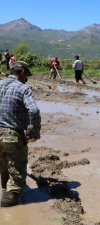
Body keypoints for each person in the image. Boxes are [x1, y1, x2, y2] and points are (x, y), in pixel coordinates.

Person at [0, 61, 41, 207]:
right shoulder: (23, 89)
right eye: (26, 76)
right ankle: (9, 200)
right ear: (22, 72)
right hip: (12, 134)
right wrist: (34, 131)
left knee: (3, 164)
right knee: (17, 166)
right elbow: (34, 111)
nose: (27, 79)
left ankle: (5, 188)